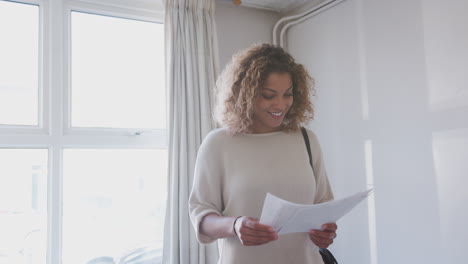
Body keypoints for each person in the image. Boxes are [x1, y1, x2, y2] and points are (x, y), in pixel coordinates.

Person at [189, 43, 337, 264]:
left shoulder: (307, 139)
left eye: (287, 94)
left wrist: (326, 232)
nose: (280, 104)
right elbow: (201, 215)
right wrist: (235, 225)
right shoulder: (218, 144)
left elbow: (323, 205)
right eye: (268, 95)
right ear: (244, 95)